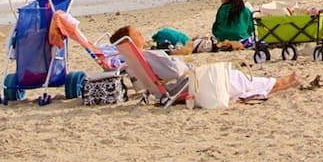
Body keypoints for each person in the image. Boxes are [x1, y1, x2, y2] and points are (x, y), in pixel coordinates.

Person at [109, 25, 306, 100]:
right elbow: (175, 71)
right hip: (186, 84)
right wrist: (185, 65)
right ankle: (277, 83)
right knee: (235, 78)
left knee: (236, 78)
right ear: (131, 41)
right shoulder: (149, 55)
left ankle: (274, 83)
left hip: (173, 87)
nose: (141, 34)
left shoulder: (132, 59)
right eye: (137, 33)